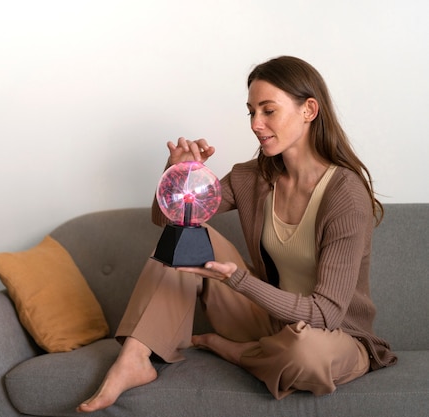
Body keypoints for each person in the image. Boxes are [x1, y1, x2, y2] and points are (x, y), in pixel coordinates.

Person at [77, 55, 397, 413]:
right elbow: (170, 220)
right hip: (268, 321)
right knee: (184, 239)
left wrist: (240, 280)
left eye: (268, 111)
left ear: (309, 110)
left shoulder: (345, 193)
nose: (256, 124)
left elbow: (326, 315)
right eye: (251, 112)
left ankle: (240, 353)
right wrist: (179, 172)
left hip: (335, 337)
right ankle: (134, 360)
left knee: (305, 355)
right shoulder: (251, 177)